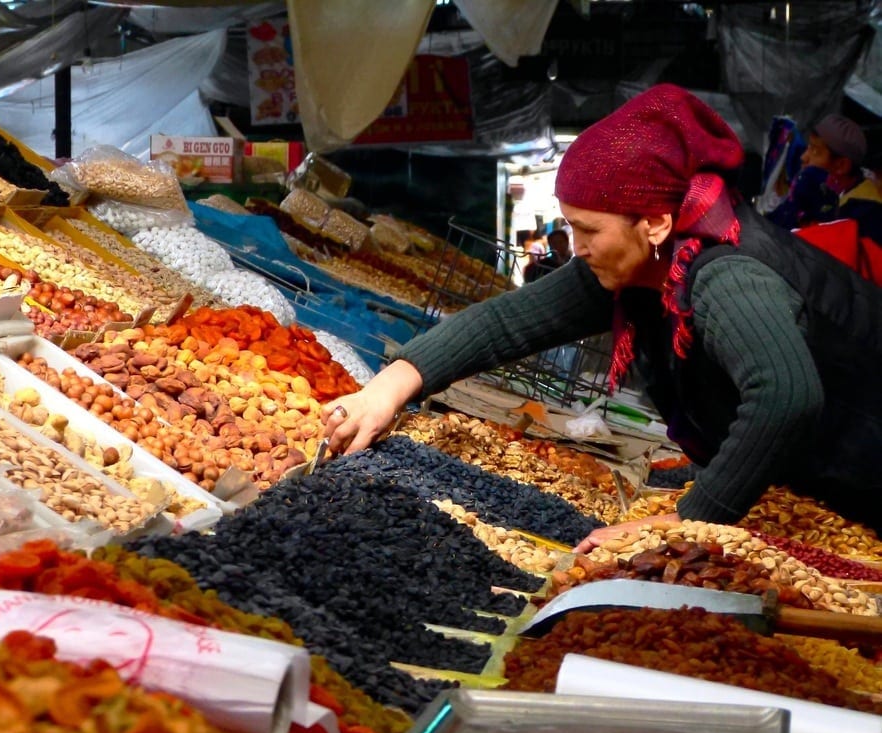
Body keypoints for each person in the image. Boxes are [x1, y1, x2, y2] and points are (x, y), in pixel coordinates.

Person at [321, 84, 882, 548]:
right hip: (808, 482)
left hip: (860, 482)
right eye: (571, 226)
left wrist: (692, 517)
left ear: (655, 223)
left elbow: (785, 395)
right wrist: (386, 391)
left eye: (588, 230)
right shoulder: (643, 260)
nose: (577, 246)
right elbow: (507, 322)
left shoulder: (726, 275)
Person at [803, 114, 882, 245]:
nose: (804, 157)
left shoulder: (863, 214)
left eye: (816, 151)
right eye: (808, 148)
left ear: (841, 165)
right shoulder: (834, 192)